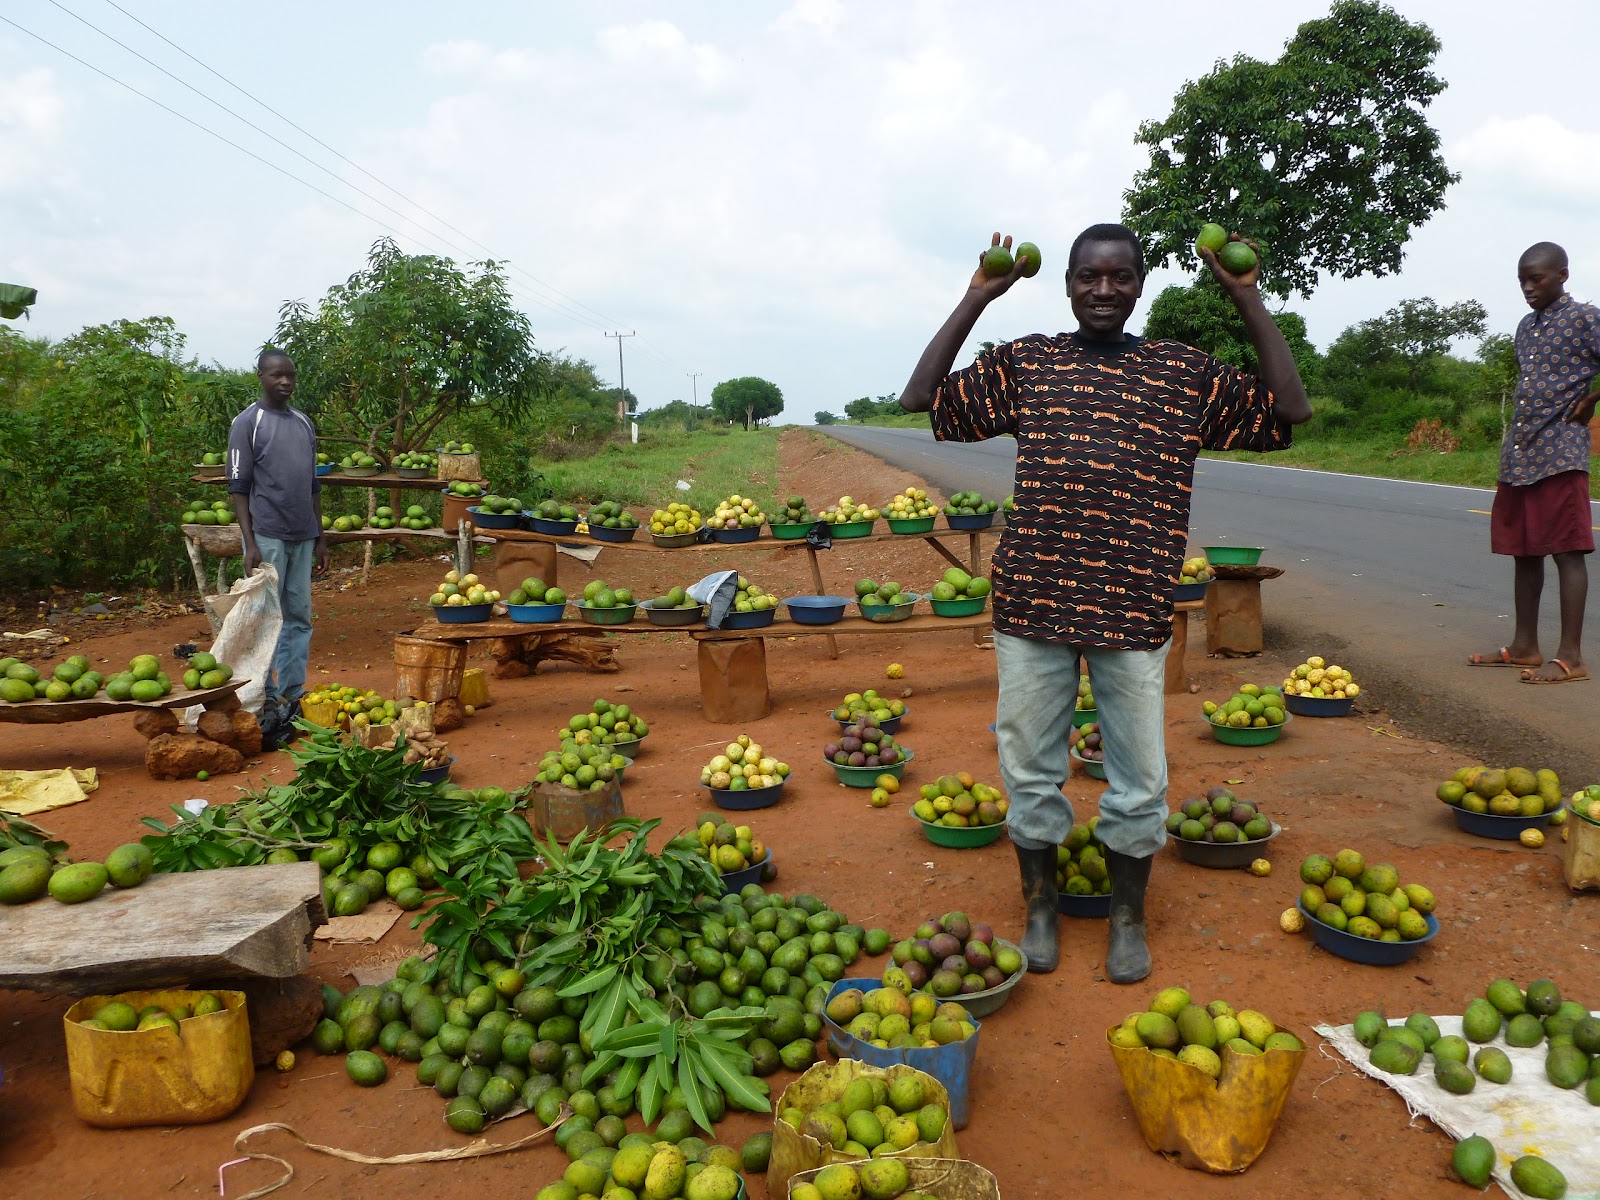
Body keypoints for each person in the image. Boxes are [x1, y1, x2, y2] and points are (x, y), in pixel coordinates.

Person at [899, 225, 1312, 981]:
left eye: (1120, 277)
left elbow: (1289, 412)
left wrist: (1244, 293)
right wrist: (977, 297)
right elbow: (923, 398)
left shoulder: (1179, 372)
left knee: (1140, 779)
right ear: (1066, 282)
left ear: (1141, 285)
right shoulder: (1030, 360)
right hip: (1034, 603)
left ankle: (1127, 919)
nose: (1104, 291)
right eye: (1089, 276)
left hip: (1132, 605)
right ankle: (1042, 909)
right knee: (1029, 768)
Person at [1468, 242, 1596, 684]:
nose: (1527, 287)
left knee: (1567, 551)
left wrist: (1592, 399)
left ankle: (1572, 657)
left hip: (1561, 450)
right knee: (1523, 551)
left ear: (1562, 274)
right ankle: (1525, 646)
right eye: (1522, 279)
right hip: (1521, 454)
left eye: (1536, 278)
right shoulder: (1526, 325)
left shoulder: (1585, 317)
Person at [228, 349, 329, 734]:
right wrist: (249, 542)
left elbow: (314, 483)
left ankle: (293, 692)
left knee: (298, 618)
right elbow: (239, 488)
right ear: (261, 377)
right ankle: (263, 694)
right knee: (264, 619)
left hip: (303, 536)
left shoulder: (303, 422)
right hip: (267, 535)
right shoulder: (247, 423)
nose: (285, 382)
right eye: (276, 375)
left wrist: (320, 536)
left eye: (290, 375)